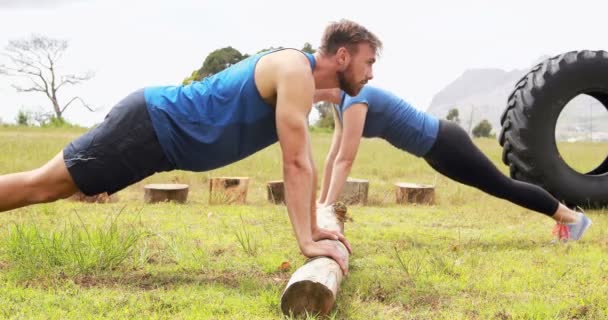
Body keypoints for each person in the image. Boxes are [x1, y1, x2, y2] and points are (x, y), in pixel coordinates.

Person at [0, 19, 383, 274]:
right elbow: (297, 163)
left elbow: (325, 94)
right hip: (149, 125)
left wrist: (316, 227)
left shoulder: (300, 78)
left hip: (157, 138)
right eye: (368, 62)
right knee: (44, 185)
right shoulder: (294, 71)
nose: (370, 73)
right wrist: (306, 238)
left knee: (53, 187)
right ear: (343, 55)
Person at [315, 85, 592, 241]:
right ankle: (567, 219)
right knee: (497, 187)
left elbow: (345, 159)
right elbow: (332, 156)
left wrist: (327, 207)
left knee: (502, 186)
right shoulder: (340, 105)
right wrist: (322, 204)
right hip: (433, 153)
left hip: (446, 142)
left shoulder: (354, 98)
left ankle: (572, 219)